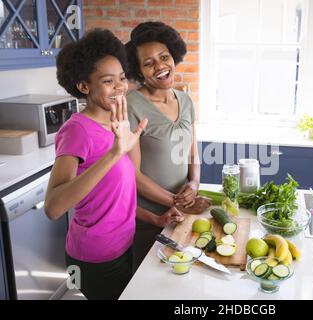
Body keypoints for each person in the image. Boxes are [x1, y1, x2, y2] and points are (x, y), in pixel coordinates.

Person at [43, 29, 182, 300]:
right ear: (84, 86)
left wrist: (156, 218)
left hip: (122, 247)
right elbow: (53, 207)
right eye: (108, 81)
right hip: (92, 258)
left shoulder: (117, 124)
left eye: (121, 78)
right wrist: (115, 154)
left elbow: (117, 199)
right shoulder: (78, 130)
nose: (120, 87)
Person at [125, 21, 211, 271]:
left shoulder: (185, 99)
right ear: (139, 71)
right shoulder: (132, 105)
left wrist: (193, 184)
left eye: (164, 57)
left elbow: (193, 152)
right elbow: (133, 174)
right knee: (148, 284)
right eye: (149, 63)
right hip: (149, 217)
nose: (160, 66)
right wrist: (175, 200)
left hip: (183, 213)